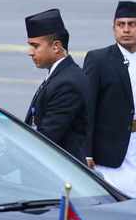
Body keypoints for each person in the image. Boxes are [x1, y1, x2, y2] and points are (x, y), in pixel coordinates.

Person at [83, 1, 136, 202]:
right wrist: (86, 152)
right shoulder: (98, 59)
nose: (126, 29)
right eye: (121, 24)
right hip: (108, 154)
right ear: (113, 29)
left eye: (132, 24)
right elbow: (87, 109)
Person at [24, 8, 90, 162]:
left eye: (35, 46)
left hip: (59, 174)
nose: (30, 52)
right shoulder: (60, 75)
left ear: (56, 47)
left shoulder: (67, 83)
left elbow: (46, 138)